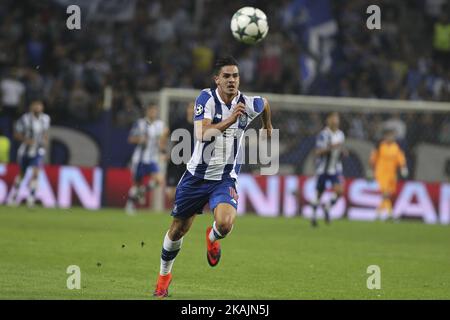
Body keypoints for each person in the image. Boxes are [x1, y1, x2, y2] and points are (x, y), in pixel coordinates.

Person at [153, 56, 273, 298]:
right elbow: (201, 133)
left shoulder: (248, 103)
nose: (232, 80)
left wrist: (267, 126)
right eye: (226, 76)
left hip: (225, 178)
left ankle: (212, 237)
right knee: (177, 231)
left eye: (235, 76)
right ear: (217, 79)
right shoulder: (206, 99)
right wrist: (230, 120)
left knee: (226, 224)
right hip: (196, 177)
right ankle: (164, 278)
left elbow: (265, 103)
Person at [125, 104, 169, 215]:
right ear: (147, 112)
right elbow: (131, 139)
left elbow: (163, 140)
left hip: (152, 158)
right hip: (139, 159)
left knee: (159, 180)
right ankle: (130, 204)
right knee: (136, 184)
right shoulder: (140, 123)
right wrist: (140, 139)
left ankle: (141, 193)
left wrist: (163, 152)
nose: (153, 113)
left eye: (155, 110)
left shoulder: (160, 125)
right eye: (151, 110)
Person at [7, 100, 50, 207]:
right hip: (25, 150)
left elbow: (45, 132)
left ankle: (31, 198)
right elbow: (16, 134)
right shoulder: (24, 119)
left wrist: (45, 140)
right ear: (31, 107)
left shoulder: (46, 119)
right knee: (22, 174)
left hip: (38, 150)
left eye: (40, 105)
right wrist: (26, 140)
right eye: (36, 105)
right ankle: (14, 196)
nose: (38, 107)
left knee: (36, 173)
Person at [311, 112, 346, 227]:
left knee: (339, 191)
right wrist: (332, 147)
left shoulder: (341, 134)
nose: (335, 120)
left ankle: (327, 207)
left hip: (335, 168)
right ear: (328, 120)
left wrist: (343, 152)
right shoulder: (323, 135)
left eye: (337, 118)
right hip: (323, 169)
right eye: (333, 118)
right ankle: (314, 217)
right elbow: (318, 152)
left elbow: (340, 150)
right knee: (319, 194)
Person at [368, 128, 408, 220]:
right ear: (385, 137)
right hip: (381, 173)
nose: (390, 137)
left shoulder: (396, 147)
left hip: (392, 174)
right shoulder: (380, 146)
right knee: (385, 193)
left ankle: (378, 212)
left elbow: (400, 158)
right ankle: (390, 213)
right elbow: (373, 158)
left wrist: (403, 168)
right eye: (389, 135)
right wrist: (370, 169)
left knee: (387, 194)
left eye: (392, 136)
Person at [165, 102, 195, 205]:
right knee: (171, 193)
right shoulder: (179, 123)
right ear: (187, 109)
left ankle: (180, 209)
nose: (193, 110)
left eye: (195, 108)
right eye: (191, 108)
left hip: (190, 162)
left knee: (189, 190)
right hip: (176, 160)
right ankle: (177, 207)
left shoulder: (199, 125)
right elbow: (165, 134)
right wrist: (164, 152)